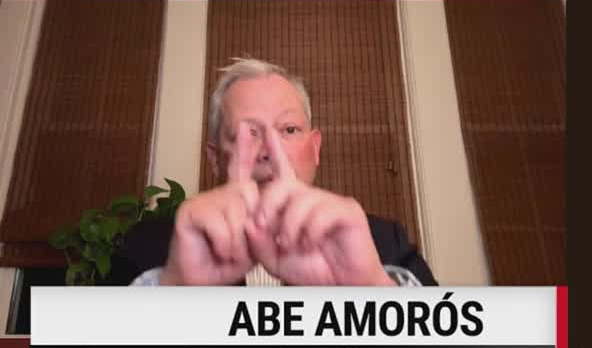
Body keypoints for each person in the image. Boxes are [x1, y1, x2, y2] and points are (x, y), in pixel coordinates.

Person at [109, 57, 436, 287]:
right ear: (214, 159)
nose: (268, 150)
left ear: (316, 148)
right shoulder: (148, 247)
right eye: (246, 133)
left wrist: (375, 294)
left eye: (289, 130)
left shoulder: (383, 243)